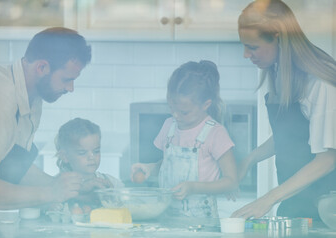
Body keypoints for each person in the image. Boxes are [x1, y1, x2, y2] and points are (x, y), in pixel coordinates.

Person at [0, 27, 105, 221]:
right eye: (67, 79)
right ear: (41, 67)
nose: (70, 88)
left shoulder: (31, 97)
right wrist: (50, 193)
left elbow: (12, 164)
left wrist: (72, 190)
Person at [232, 0, 336, 220]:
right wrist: (249, 160)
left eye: (252, 46)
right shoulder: (280, 73)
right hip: (295, 205)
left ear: (278, 37)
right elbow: (292, 136)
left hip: (327, 212)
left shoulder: (320, 83)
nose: (245, 55)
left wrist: (267, 199)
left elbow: (327, 158)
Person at [131, 60, 238, 218]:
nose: (175, 115)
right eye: (171, 108)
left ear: (205, 104)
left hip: (202, 223)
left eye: (184, 112)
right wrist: (150, 169)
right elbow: (167, 163)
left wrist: (193, 187)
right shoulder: (169, 126)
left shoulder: (215, 133)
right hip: (167, 217)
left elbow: (231, 182)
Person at [54, 117, 124, 213]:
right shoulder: (57, 185)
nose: (91, 157)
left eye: (96, 151)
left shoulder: (110, 182)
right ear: (65, 156)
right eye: (82, 152)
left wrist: (112, 196)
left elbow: (127, 206)